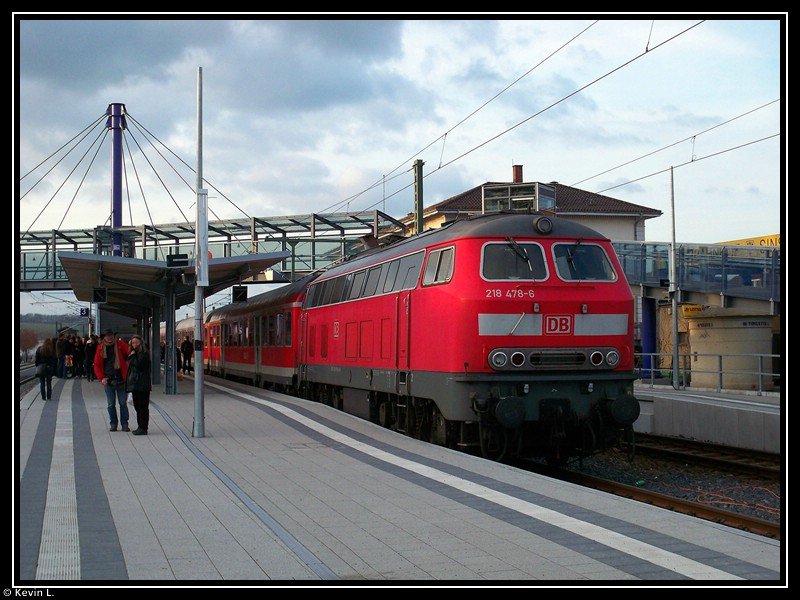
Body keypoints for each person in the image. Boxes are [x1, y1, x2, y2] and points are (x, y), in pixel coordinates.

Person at [94, 328, 130, 432]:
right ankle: (113, 423)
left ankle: (124, 424)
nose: (109, 337)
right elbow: (97, 364)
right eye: (107, 335)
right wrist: (101, 378)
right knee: (111, 404)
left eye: (111, 335)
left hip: (121, 379)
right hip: (108, 380)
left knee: (123, 403)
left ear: (114, 336)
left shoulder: (120, 344)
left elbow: (129, 352)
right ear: (104, 337)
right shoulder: (100, 348)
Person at [126, 334, 152, 436]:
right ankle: (140, 426)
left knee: (142, 407)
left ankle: (143, 428)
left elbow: (139, 365)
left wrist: (132, 356)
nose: (134, 344)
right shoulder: (135, 353)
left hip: (142, 385)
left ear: (140, 342)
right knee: (137, 407)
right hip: (136, 385)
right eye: (133, 343)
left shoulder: (144, 354)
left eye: (136, 342)